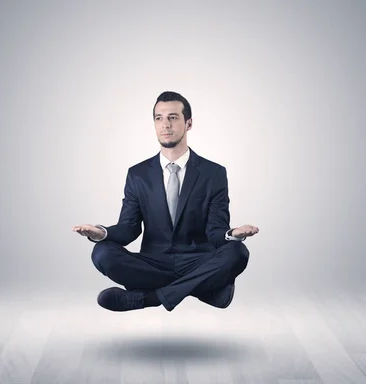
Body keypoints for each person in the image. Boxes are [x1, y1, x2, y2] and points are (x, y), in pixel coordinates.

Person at [73, 91, 259, 312]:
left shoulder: (214, 173)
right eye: (159, 118)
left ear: (188, 123)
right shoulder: (137, 174)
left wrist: (232, 234)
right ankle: (205, 289)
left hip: (197, 260)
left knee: (237, 252)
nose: (165, 125)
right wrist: (101, 233)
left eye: (172, 117)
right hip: (153, 262)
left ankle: (147, 298)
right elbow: (129, 228)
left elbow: (215, 231)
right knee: (102, 253)